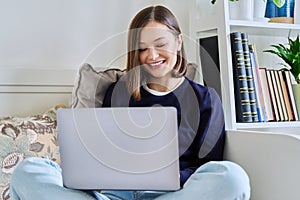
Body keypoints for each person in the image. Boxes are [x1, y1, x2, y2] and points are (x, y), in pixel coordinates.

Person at [10, 5, 250, 200]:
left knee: (232, 177)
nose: (152, 56)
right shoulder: (118, 92)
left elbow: (209, 165)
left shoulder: (205, 99)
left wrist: (172, 176)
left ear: (178, 42)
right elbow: (97, 155)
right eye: (143, 49)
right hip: (113, 195)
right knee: (27, 171)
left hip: (173, 195)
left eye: (160, 44)